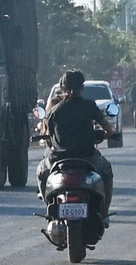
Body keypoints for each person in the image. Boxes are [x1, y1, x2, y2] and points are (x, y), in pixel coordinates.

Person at [38, 70, 117, 218]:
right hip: (87, 158)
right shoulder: (90, 106)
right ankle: (104, 212)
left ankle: (49, 208)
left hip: (58, 160)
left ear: (63, 88)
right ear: (82, 87)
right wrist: (106, 135)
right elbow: (109, 129)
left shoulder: (54, 110)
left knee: (41, 172)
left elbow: (49, 137)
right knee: (106, 171)